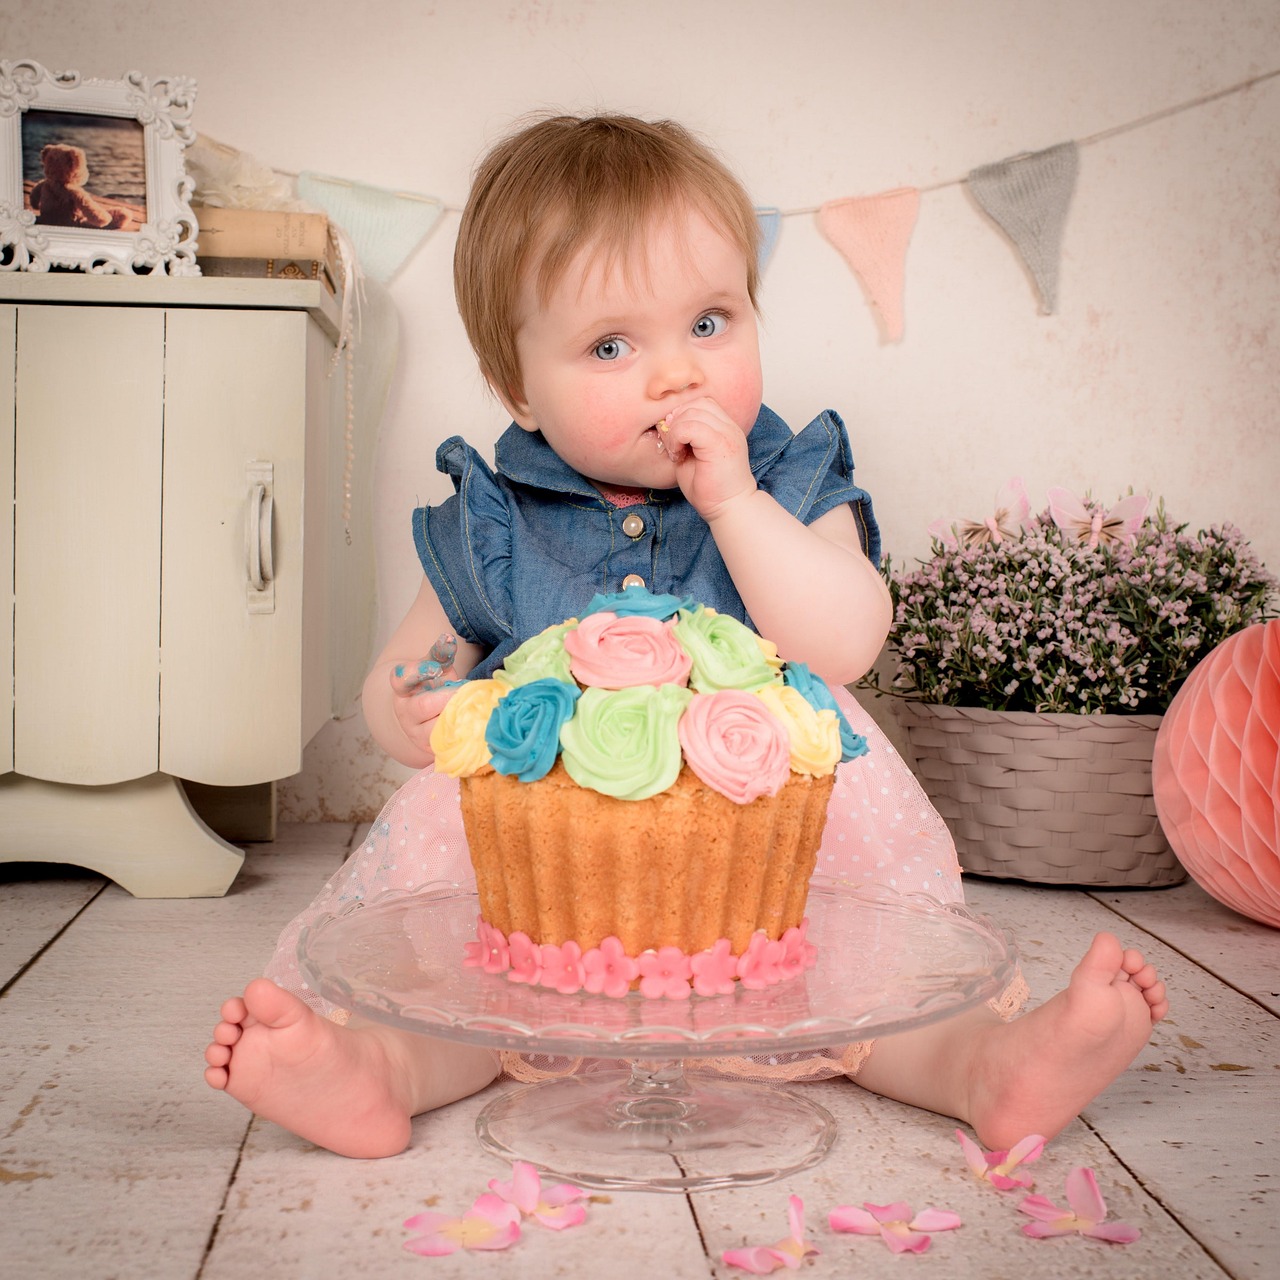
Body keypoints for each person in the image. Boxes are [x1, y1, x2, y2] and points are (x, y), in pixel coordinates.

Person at [204, 114, 1167, 1161]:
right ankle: (374, 1073)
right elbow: (400, 679)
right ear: (516, 386)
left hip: (780, 858)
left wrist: (736, 503)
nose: (675, 375)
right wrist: (418, 697)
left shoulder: (788, 477)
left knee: (866, 989)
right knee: (461, 983)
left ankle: (988, 1067)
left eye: (708, 322)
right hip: (552, 874)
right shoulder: (499, 517)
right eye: (612, 346)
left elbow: (846, 636)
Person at [29, 143, 126, 229]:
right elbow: (91, 210)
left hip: (46, 219)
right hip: (69, 223)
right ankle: (116, 218)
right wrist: (103, 219)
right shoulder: (73, 191)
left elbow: (34, 198)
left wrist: (35, 205)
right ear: (76, 166)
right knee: (103, 220)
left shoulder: (45, 184)